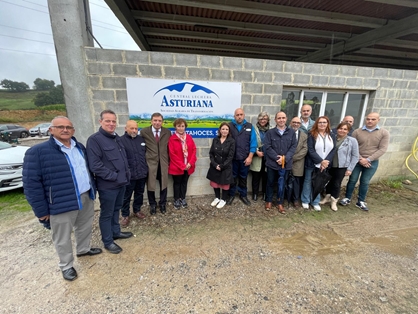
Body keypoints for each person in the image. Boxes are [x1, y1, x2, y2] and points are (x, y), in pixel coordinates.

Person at [23, 116, 101, 281]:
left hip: (85, 195)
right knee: (62, 236)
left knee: (84, 226)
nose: (65, 130)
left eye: (68, 127)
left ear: (73, 130)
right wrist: (41, 211)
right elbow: (31, 184)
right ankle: (66, 265)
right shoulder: (37, 152)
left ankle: (83, 249)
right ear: (51, 130)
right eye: (60, 127)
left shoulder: (79, 147)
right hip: (60, 201)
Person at [87, 110, 132, 255]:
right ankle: (107, 241)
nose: (111, 124)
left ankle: (116, 232)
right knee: (106, 213)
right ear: (100, 122)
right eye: (108, 121)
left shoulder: (116, 138)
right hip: (108, 185)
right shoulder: (95, 140)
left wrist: (126, 175)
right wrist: (114, 176)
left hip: (121, 183)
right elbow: (95, 165)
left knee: (116, 208)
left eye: (113, 121)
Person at [339, 112, 389, 211]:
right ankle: (347, 198)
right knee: (352, 180)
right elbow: (352, 147)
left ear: (378, 120)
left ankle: (361, 201)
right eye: (368, 119)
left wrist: (368, 159)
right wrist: (360, 159)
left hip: (372, 162)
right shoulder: (357, 132)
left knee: (365, 181)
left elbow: (382, 149)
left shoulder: (384, 133)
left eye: (373, 119)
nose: (370, 121)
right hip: (357, 160)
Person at [320, 122, 359, 211]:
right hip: (330, 165)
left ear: (348, 131)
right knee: (328, 182)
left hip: (341, 166)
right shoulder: (332, 138)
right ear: (337, 129)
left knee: (336, 183)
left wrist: (350, 168)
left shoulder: (352, 141)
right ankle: (327, 197)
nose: (342, 131)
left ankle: (334, 200)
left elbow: (355, 156)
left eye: (345, 129)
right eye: (340, 128)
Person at [264, 111, 297, 214]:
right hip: (272, 164)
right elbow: (267, 147)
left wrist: (285, 158)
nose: (281, 120)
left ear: (286, 119)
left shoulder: (291, 132)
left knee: (282, 184)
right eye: (279, 118)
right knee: (270, 183)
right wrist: (276, 158)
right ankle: (268, 201)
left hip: (285, 164)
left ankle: (280, 202)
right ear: (275, 120)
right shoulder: (270, 133)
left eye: (283, 118)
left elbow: (293, 147)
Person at [301, 116, 336, 211]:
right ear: (317, 123)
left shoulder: (331, 135)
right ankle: (305, 200)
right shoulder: (311, 134)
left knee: (319, 183)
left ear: (327, 123)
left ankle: (315, 201)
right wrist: (321, 161)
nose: (322, 124)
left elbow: (333, 149)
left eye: (324, 122)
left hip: (325, 164)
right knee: (308, 181)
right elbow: (310, 150)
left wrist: (326, 162)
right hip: (312, 163)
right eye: (320, 122)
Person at [140, 113, 171, 215]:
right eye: (155, 120)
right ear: (151, 121)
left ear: (162, 122)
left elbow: (169, 148)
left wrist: (169, 161)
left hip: (163, 162)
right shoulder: (144, 132)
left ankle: (162, 203)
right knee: (150, 184)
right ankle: (152, 204)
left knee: (164, 184)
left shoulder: (167, 132)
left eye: (159, 121)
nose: (157, 123)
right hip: (150, 163)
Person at [119, 120, 148, 226]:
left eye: (136, 128)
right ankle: (125, 215)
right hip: (129, 175)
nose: (134, 130)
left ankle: (137, 210)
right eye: (132, 128)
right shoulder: (120, 141)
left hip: (141, 173)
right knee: (126, 196)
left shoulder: (141, 139)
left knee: (139, 193)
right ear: (126, 129)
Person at [227, 108, 257, 206]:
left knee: (243, 178)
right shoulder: (229, 126)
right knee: (232, 178)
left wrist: (250, 157)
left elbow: (253, 143)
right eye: (237, 115)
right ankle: (231, 195)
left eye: (241, 114)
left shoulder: (249, 126)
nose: (239, 116)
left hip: (245, 158)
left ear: (244, 115)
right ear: (234, 116)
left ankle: (243, 195)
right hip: (233, 159)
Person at [168, 118, 197, 209]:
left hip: (188, 167)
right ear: (175, 127)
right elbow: (172, 154)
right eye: (178, 126)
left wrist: (190, 163)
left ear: (185, 127)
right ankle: (176, 199)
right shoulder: (172, 139)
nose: (181, 128)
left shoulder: (189, 137)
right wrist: (182, 165)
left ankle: (183, 198)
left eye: (182, 126)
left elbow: (193, 150)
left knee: (184, 183)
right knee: (177, 183)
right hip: (177, 167)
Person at [207, 122, 235, 209]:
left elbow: (231, 156)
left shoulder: (231, 141)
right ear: (220, 130)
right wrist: (215, 165)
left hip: (225, 167)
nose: (225, 131)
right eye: (223, 129)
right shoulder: (215, 139)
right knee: (215, 183)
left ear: (229, 131)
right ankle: (217, 198)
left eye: (227, 129)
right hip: (215, 166)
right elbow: (211, 153)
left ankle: (223, 199)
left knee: (225, 184)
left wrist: (222, 166)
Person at [249, 112, 270, 202]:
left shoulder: (272, 129)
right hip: (257, 156)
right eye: (261, 119)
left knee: (266, 177)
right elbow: (250, 141)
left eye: (265, 119)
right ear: (258, 119)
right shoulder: (253, 129)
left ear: (268, 120)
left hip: (268, 157)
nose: (263, 121)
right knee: (256, 177)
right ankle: (255, 194)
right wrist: (256, 151)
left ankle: (265, 193)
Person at [288, 116, 308, 208]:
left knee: (296, 182)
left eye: (298, 123)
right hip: (285, 161)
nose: (296, 124)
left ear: (300, 124)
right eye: (294, 122)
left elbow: (305, 149)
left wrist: (293, 158)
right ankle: (286, 197)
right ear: (290, 123)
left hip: (298, 162)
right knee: (285, 180)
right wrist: (287, 158)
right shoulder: (285, 133)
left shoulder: (304, 135)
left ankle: (295, 199)